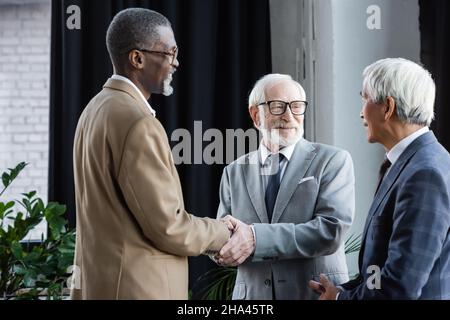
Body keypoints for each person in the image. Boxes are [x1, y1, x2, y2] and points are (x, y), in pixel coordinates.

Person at [71, 8, 231, 300]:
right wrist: (221, 231)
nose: (176, 62)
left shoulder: (94, 109)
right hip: (139, 290)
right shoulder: (138, 122)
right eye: (169, 53)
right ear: (137, 58)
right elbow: (169, 226)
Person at [309, 58, 450, 299]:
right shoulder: (411, 162)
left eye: (364, 98)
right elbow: (381, 271)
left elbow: (400, 287)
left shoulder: (424, 173)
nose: (360, 111)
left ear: (387, 107)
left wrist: (339, 299)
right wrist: (343, 290)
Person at [214, 73, 355, 299]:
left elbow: (331, 231)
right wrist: (220, 247)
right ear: (255, 115)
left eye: (297, 106)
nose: (289, 116)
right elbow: (225, 234)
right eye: (278, 106)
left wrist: (256, 238)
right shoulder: (233, 172)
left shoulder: (333, 160)